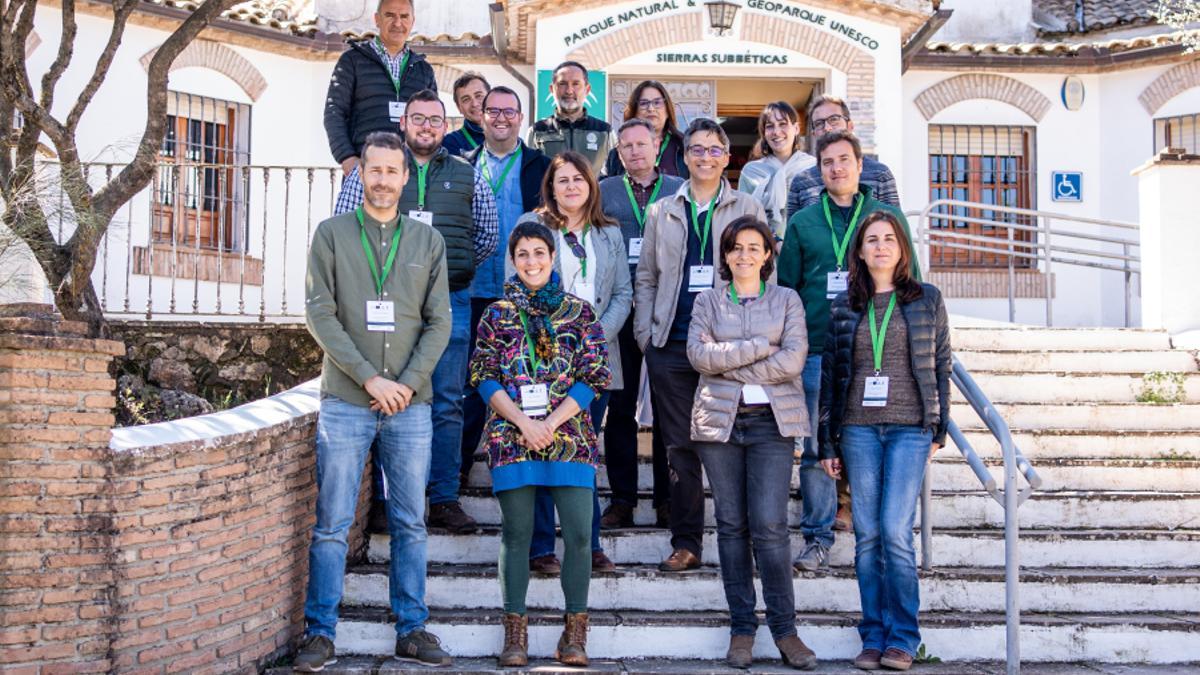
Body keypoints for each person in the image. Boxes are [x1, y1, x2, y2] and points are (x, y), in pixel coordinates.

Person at [297, 131, 452, 671]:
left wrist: (405, 384)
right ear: (361, 173)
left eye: (394, 171)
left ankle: (412, 628)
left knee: (411, 522)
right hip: (345, 399)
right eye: (375, 170)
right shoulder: (332, 234)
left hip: (411, 405)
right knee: (332, 522)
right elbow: (321, 315)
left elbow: (440, 323)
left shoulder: (427, 243)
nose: (384, 180)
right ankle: (320, 632)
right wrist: (370, 379)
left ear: (407, 178)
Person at [331, 89, 499, 534]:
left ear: (446, 128)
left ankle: (443, 498)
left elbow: (486, 234)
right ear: (404, 123)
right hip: (387, 306)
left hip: (450, 302)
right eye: (418, 118)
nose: (427, 126)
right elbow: (346, 227)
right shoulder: (378, 173)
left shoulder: (468, 175)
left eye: (435, 120)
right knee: (385, 399)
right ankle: (386, 501)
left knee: (447, 403)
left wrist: (448, 269)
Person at [469, 221, 612, 668]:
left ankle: (574, 634)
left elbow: (595, 376)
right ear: (513, 260)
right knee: (516, 534)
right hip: (512, 438)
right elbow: (483, 375)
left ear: (553, 258)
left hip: (569, 438)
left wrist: (549, 421)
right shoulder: (497, 314)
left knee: (578, 535)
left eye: (539, 253)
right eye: (523, 254)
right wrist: (523, 423)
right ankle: (515, 632)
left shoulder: (579, 312)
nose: (531, 262)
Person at [777, 129, 921, 574]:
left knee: (871, 445)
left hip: (878, 353)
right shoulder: (803, 222)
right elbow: (787, 290)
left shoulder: (885, 216)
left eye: (844, 160)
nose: (836, 168)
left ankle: (879, 538)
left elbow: (911, 281)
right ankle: (817, 537)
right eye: (827, 163)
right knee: (819, 449)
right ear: (818, 171)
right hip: (819, 349)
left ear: (861, 165)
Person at [819, 211, 950, 672]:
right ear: (859, 251)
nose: (880, 246)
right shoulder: (844, 306)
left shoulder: (926, 300)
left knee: (895, 532)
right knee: (867, 535)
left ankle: (904, 637)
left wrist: (940, 426)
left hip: (909, 429)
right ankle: (872, 635)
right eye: (871, 239)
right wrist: (826, 444)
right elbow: (832, 378)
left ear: (903, 248)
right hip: (857, 430)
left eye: (889, 239)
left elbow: (941, 366)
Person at [634, 117, 766, 573]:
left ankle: (742, 537)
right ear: (684, 156)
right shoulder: (662, 210)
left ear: (727, 158)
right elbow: (647, 275)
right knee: (679, 446)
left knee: (732, 440)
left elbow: (766, 274)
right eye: (696, 149)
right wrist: (647, 336)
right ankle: (687, 542)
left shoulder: (747, 206)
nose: (705, 157)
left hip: (728, 345)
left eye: (714, 150)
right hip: (671, 342)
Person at [687, 216, 817, 670]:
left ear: (767, 255)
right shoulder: (707, 300)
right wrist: (763, 344)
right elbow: (698, 357)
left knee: (769, 527)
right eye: (736, 247)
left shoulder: (787, 299)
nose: (744, 255)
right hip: (720, 425)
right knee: (730, 526)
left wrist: (730, 361)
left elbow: (794, 359)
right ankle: (742, 628)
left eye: (754, 247)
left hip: (771, 425)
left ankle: (786, 631)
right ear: (725, 255)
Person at [514, 151, 632, 574]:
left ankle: (590, 544)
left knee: (583, 451)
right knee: (544, 445)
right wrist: (559, 341)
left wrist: (593, 337)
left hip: (596, 358)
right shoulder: (533, 225)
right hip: (544, 361)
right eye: (562, 180)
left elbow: (623, 293)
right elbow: (519, 287)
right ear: (551, 186)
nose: (570, 187)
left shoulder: (610, 233)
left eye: (578, 179)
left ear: (591, 185)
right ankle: (542, 547)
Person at [461, 86, 552, 493]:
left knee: (528, 383)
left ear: (521, 118)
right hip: (472, 291)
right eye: (492, 111)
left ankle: (527, 474)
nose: (501, 118)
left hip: (523, 296)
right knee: (472, 387)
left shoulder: (540, 166)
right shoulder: (461, 165)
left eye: (509, 111)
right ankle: (460, 473)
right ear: (480, 116)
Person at [597, 118, 684, 529]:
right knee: (619, 406)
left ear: (656, 147)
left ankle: (669, 500)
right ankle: (623, 500)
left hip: (664, 310)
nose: (634, 152)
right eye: (626, 146)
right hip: (619, 310)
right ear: (618, 151)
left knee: (669, 409)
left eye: (641, 144)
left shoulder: (677, 189)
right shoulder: (604, 192)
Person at [324, 0, 437, 208]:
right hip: (366, 170)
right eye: (390, 15)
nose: (397, 23)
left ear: (413, 21)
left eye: (404, 16)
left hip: (408, 174)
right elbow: (334, 112)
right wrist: (347, 158)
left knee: (404, 238)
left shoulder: (423, 70)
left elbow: (432, 122)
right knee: (358, 235)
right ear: (377, 19)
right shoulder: (352, 61)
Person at [786, 95, 899, 218]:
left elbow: (896, 228)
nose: (827, 128)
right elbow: (793, 233)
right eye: (819, 123)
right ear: (813, 134)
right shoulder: (800, 182)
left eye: (834, 119)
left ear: (850, 126)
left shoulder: (880, 175)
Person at [738, 101, 815, 238]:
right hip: (763, 249)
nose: (776, 132)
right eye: (770, 126)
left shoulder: (812, 167)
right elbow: (744, 215)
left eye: (783, 124)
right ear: (764, 134)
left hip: (806, 247)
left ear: (796, 129)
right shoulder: (751, 171)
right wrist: (775, 241)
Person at [527, 61, 613, 175]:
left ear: (587, 90)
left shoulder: (604, 132)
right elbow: (529, 174)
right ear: (552, 89)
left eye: (576, 84)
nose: (569, 91)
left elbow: (614, 174)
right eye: (562, 84)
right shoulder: (537, 131)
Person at [602, 80, 690, 180]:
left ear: (667, 109)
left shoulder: (684, 147)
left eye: (657, 102)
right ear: (634, 111)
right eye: (644, 103)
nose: (651, 109)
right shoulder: (617, 154)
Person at [444, 71, 489, 158]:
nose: (475, 104)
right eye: (466, 99)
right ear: (459, 108)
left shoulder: (508, 137)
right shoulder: (450, 143)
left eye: (479, 96)